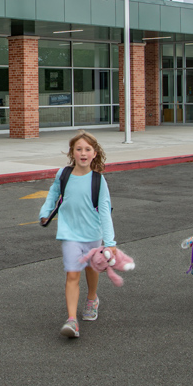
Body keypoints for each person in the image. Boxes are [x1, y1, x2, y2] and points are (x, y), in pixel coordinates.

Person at [39, 130, 117, 339]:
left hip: (93, 233)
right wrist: (45, 212)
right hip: (69, 232)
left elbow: (105, 213)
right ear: (72, 153)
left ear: (94, 153)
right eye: (79, 149)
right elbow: (54, 194)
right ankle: (72, 320)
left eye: (87, 149)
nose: (83, 153)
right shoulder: (63, 174)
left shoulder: (99, 181)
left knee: (92, 269)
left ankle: (92, 298)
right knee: (72, 274)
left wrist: (110, 242)